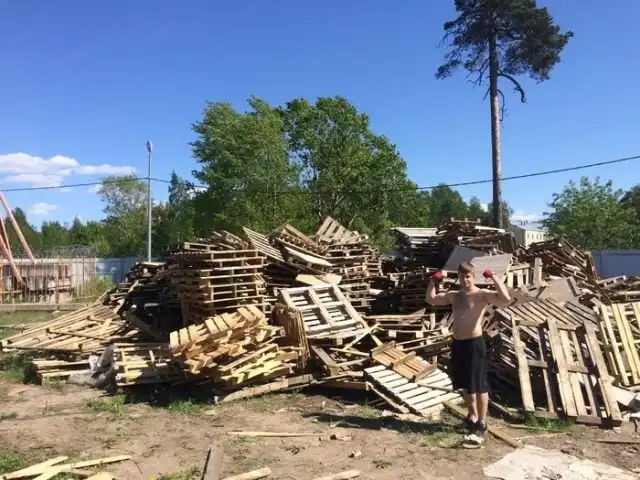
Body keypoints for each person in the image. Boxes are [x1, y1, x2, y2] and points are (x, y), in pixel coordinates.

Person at [426, 261, 511, 446]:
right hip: (458, 344)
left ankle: (481, 422)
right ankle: (471, 415)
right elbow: (431, 299)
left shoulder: (481, 294)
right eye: (461, 276)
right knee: (464, 384)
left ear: (473, 276)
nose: (465, 280)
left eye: (468, 276)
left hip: (474, 344)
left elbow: (505, 299)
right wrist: (433, 280)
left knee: (478, 385)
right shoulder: (454, 296)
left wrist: (493, 277)